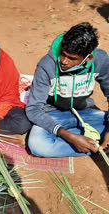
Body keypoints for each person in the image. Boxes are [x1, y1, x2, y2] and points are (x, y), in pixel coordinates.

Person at [26, 22, 109, 157]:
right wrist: (70, 137)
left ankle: (88, 142)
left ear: (88, 58)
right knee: (38, 145)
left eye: (72, 58)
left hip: (85, 112)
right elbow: (33, 109)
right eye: (63, 54)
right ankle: (88, 142)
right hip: (52, 114)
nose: (64, 61)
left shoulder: (101, 59)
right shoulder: (47, 65)